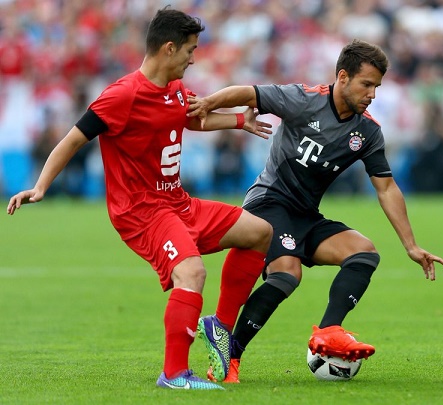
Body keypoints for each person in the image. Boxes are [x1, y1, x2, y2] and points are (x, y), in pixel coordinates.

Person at [6, 7, 274, 390]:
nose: (193, 58)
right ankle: (175, 374)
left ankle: (220, 329)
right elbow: (74, 137)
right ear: (169, 48)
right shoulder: (122, 95)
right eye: (190, 50)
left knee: (259, 232)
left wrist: (237, 120)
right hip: (142, 212)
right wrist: (41, 185)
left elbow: (192, 117)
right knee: (192, 272)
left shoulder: (176, 90)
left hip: (179, 204)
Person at [188, 39, 443, 383]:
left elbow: (386, 186)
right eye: (366, 84)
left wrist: (411, 245)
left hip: (305, 214)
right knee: (287, 274)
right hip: (268, 204)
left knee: (364, 253)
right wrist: (208, 102)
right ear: (343, 77)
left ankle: (328, 330)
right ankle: (231, 356)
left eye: (377, 87)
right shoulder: (304, 100)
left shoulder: (367, 132)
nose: (372, 94)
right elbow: (248, 92)